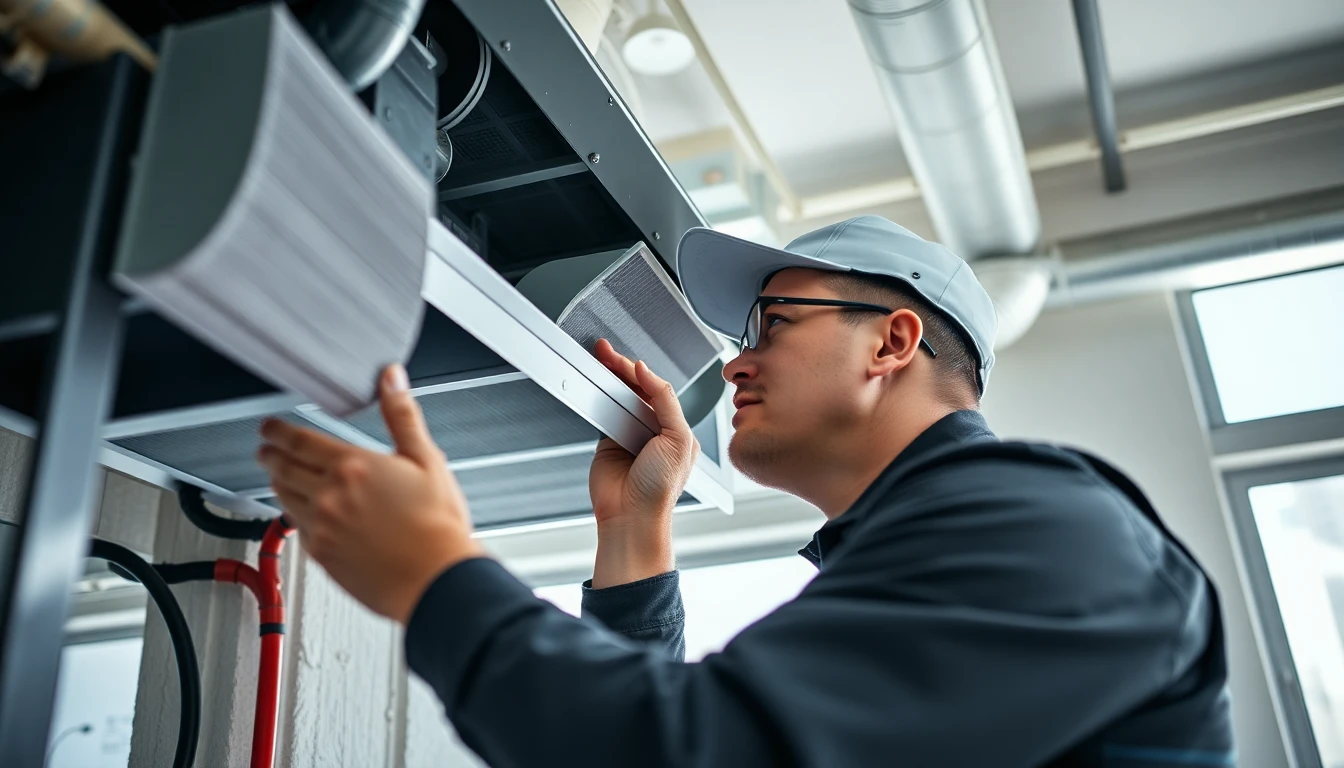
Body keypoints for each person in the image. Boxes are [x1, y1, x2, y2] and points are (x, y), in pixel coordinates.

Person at [257, 216, 1235, 767]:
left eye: (772, 325)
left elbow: (694, 755)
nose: (735, 368)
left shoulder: (1045, 528)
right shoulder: (933, 551)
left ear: (892, 342)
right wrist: (637, 529)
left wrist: (438, 579)